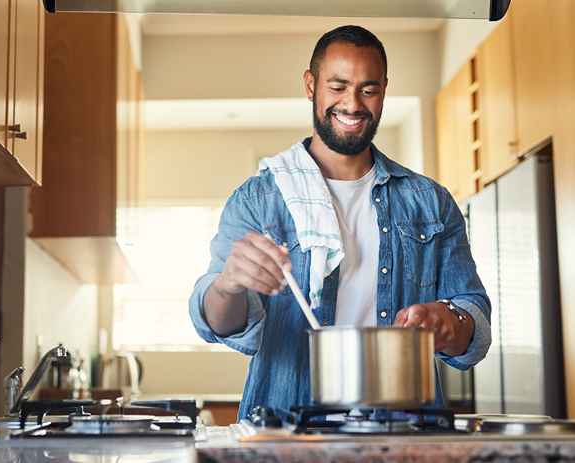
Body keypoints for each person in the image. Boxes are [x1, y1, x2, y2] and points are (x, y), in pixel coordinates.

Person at [188, 25, 491, 421]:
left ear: (384, 89)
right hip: (285, 433)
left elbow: (475, 324)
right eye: (338, 86)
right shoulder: (259, 199)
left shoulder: (430, 202)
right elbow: (216, 325)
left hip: (405, 434)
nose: (352, 104)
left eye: (368, 89)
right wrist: (228, 284)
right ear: (310, 85)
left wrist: (448, 322)